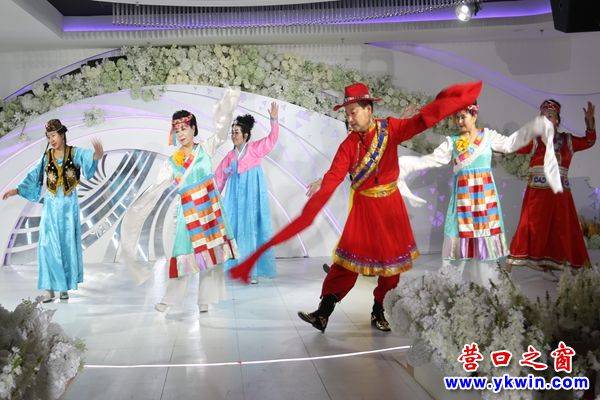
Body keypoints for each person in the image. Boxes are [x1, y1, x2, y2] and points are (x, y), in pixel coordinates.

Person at [228, 80, 483, 332]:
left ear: (368, 109)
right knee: (346, 262)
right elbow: (334, 176)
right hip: (363, 209)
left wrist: (451, 101)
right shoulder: (348, 145)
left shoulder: (390, 129)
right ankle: (323, 313)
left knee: (390, 267)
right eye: (347, 114)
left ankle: (378, 309)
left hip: (390, 207)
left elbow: (421, 122)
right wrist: (317, 198)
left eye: (353, 112)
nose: (349, 119)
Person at [397, 102, 559, 288]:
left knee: (484, 249)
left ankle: (487, 287)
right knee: (457, 244)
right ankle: (453, 287)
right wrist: (405, 165)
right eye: (457, 118)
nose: (459, 121)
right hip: (462, 201)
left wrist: (534, 126)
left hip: (484, 200)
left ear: (474, 116)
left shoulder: (488, 136)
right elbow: (431, 160)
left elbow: (510, 144)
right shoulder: (452, 142)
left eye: (463, 117)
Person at [120, 87, 240, 313]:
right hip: (188, 211)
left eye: (184, 128)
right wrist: (137, 209)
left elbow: (222, 133)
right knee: (182, 254)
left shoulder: (205, 148)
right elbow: (157, 187)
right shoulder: (172, 162)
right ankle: (169, 300)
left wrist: (226, 109)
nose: (181, 134)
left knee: (211, 254)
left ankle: (205, 299)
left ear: (193, 128)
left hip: (210, 208)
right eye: (177, 130)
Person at [2, 119, 103, 302]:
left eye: (54, 135)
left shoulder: (74, 153)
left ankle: (63, 287)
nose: (51, 140)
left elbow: (89, 158)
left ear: (62, 134)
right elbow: (33, 175)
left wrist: (97, 155)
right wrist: (16, 190)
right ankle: (49, 289)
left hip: (68, 208)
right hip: (50, 207)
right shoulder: (46, 157)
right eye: (48, 137)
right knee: (47, 245)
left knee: (65, 245)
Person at [507, 99, 596, 272]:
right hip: (536, 194)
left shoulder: (567, 141)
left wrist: (590, 124)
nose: (546, 119)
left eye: (550, 116)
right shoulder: (534, 140)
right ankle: (509, 268)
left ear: (557, 120)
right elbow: (514, 147)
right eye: (543, 116)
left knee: (562, 228)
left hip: (560, 194)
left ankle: (558, 264)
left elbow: (589, 142)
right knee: (529, 226)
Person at [214, 102, 279, 284]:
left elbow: (272, 139)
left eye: (237, 132)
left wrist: (274, 120)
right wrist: (212, 196)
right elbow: (219, 177)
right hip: (235, 200)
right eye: (232, 132)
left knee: (252, 230)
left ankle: (252, 270)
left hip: (252, 197)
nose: (234, 136)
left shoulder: (255, 149)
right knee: (234, 230)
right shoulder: (230, 157)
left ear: (246, 135)